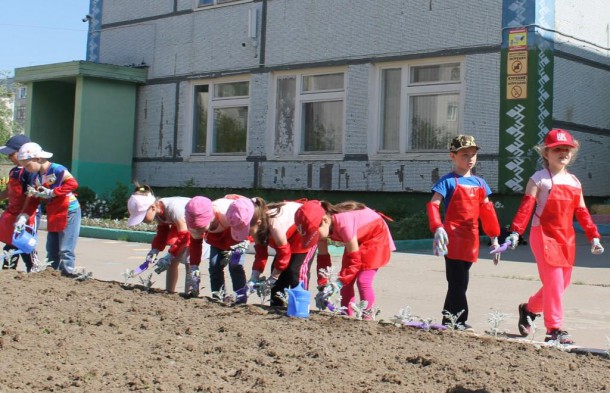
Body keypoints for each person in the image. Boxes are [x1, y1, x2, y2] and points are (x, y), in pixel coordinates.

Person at [506, 128, 604, 344]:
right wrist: (515, 232)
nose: (563, 153)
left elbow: (582, 212)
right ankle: (554, 329)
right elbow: (526, 207)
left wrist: (593, 236)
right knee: (554, 282)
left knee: (561, 284)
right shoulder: (538, 179)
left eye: (567, 149)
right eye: (557, 149)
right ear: (546, 153)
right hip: (543, 234)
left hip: (566, 237)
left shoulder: (575, 181)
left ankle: (529, 309)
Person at [426, 135, 501, 330]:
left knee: (459, 280)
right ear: (453, 156)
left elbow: (487, 211)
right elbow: (434, 205)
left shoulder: (480, 183)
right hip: (452, 236)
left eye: (473, 154)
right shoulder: (447, 181)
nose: (470, 158)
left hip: (471, 237)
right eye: (464, 154)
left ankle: (448, 319)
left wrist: (494, 238)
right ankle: (458, 321)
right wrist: (438, 227)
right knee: (458, 280)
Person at [294, 199, 395, 319]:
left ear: (325, 221)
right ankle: (346, 314)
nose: (315, 238)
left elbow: (355, 262)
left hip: (374, 237)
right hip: (356, 238)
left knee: (363, 280)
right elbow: (323, 259)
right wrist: (323, 285)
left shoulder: (344, 224)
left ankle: (368, 317)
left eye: (314, 233)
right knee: (346, 281)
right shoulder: (323, 229)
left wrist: (337, 284)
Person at [231, 198, 318, 306]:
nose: (247, 234)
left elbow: (284, 254)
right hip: (286, 237)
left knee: (295, 271)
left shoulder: (274, 225)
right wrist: (253, 278)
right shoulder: (256, 226)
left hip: (303, 232)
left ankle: (300, 305)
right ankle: (276, 306)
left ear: (258, 223)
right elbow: (261, 254)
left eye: (247, 230)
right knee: (277, 273)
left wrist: (272, 279)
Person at [18, 142, 81, 277]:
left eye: (28, 165)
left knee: (65, 249)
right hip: (54, 212)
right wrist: (24, 216)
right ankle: (51, 276)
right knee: (52, 249)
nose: (27, 169)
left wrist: (52, 192)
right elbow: (33, 199)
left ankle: (67, 275)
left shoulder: (57, 169)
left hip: (68, 210)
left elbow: (73, 184)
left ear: (38, 159)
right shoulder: (36, 177)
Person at [127, 185, 193, 294]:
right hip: (182, 228)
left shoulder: (174, 208)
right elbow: (163, 231)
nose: (142, 220)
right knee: (172, 262)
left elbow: (185, 236)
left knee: (189, 260)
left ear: (152, 207)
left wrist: (170, 254)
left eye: (142, 216)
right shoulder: (158, 211)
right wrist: (155, 249)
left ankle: (189, 294)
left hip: (195, 226)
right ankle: (170, 291)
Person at [185, 194, 248, 302]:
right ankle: (218, 295)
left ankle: (240, 298)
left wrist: (231, 251)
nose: (199, 232)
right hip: (216, 240)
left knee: (235, 265)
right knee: (214, 265)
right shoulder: (193, 221)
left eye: (201, 228)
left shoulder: (229, 213)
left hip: (237, 237)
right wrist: (194, 266)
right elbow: (195, 244)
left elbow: (243, 233)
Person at [0, 135, 40, 272]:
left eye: (12, 154)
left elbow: (31, 195)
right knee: (12, 243)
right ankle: (9, 271)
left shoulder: (29, 172)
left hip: (27, 215)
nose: (10, 157)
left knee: (25, 243)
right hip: (14, 213)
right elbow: (8, 191)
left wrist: (23, 215)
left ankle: (34, 269)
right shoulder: (14, 171)